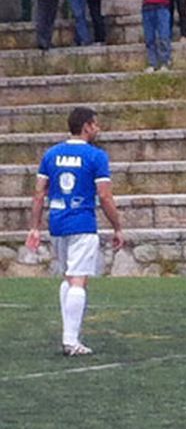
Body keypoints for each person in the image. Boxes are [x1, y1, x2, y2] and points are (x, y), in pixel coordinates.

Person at [26, 107, 125, 356]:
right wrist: (117, 226)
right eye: (95, 124)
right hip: (82, 223)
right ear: (86, 126)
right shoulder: (96, 157)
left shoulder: (51, 154)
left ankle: (69, 335)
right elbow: (104, 195)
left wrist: (35, 227)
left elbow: (40, 192)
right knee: (79, 279)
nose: (98, 129)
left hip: (57, 223)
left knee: (69, 278)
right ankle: (70, 340)